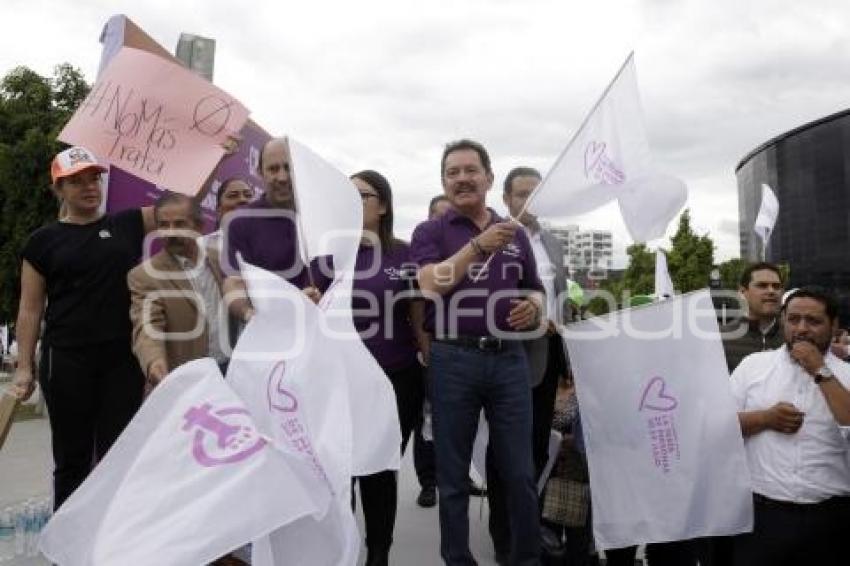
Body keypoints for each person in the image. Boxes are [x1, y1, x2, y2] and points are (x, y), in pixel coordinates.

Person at [412, 139, 544, 565]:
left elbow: (536, 290)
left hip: (508, 361)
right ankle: (457, 559)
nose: (462, 178)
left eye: (471, 170)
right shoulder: (431, 231)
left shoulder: (516, 232)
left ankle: (525, 558)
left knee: (520, 474)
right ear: (444, 182)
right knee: (452, 477)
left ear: (489, 177)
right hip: (453, 360)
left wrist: (535, 306)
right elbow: (431, 283)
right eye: (453, 172)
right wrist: (480, 245)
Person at [11, 146, 155, 509]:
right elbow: (29, 310)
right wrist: (25, 367)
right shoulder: (41, 242)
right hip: (66, 362)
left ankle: (111, 545)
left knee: (118, 457)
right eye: (76, 182)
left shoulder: (126, 224)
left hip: (121, 361)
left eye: (94, 179)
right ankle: (67, 550)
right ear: (58, 189)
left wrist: (214, 157)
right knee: (71, 461)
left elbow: (181, 206)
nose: (89, 187)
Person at [731, 286, 850, 566]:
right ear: (783, 321)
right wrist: (764, 418)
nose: (802, 328)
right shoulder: (753, 367)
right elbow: (717, 426)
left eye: (814, 321)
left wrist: (819, 370)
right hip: (762, 518)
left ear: (834, 326)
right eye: (793, 319)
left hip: (831, 521)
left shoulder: (845, 375)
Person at [487, 166, 569, 560]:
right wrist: (535, 318)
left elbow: (561, 296)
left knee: (536, 447)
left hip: (550, 355)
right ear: (506, 199)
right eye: (522, 194)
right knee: (505, 450)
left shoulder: (553, 242)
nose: (529, 202)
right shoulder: (495, 237)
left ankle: (528, 527)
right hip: (511, 353)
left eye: (537, 195)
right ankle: (503, 535)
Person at [349, 170, 427, 566]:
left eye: (361, 195)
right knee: (340, 468)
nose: (352, 200)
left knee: (379, 468)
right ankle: (341, 548)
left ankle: (379, 552)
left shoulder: (405, 252)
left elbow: (418, 313)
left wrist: (429, 360)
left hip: (397, 378)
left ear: (382, 205)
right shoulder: (328, 253)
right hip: (341, 381)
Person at [128, 192, 229, 391]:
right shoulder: (145, 275)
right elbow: (147, 326)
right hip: (187, 380)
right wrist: (155, 363)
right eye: (164, 225)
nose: (170, 232)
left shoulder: (222, 259)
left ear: (199, 226)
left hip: (231, 369)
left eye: (180, 224)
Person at [222, 137, 328, 322]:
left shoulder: (324, 217)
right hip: (271, 337)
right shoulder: (241, 222)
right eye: (273, 169)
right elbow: (233, 283)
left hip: (324, 333)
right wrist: (252, 317)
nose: (282, 177)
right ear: (259, 172)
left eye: (289, 167)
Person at [722, 262, 785, 372]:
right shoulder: (721, 339)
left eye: (776, 286)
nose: (771, 291)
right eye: (762, 285)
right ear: (742, 292)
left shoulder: (794, 336)